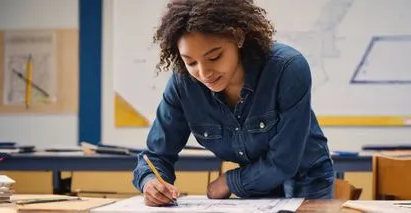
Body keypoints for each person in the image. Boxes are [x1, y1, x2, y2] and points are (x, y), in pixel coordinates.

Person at [132, 0, 335, 207]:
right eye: (190, 62)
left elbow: (284, 162)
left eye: (214, 56)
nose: (203, 73)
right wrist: (151, 181)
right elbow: (156, 156)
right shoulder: (182, 84)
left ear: (238, 37)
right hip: (257, 185)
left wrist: (230, 181)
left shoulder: (288, 68)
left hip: (308, 179)